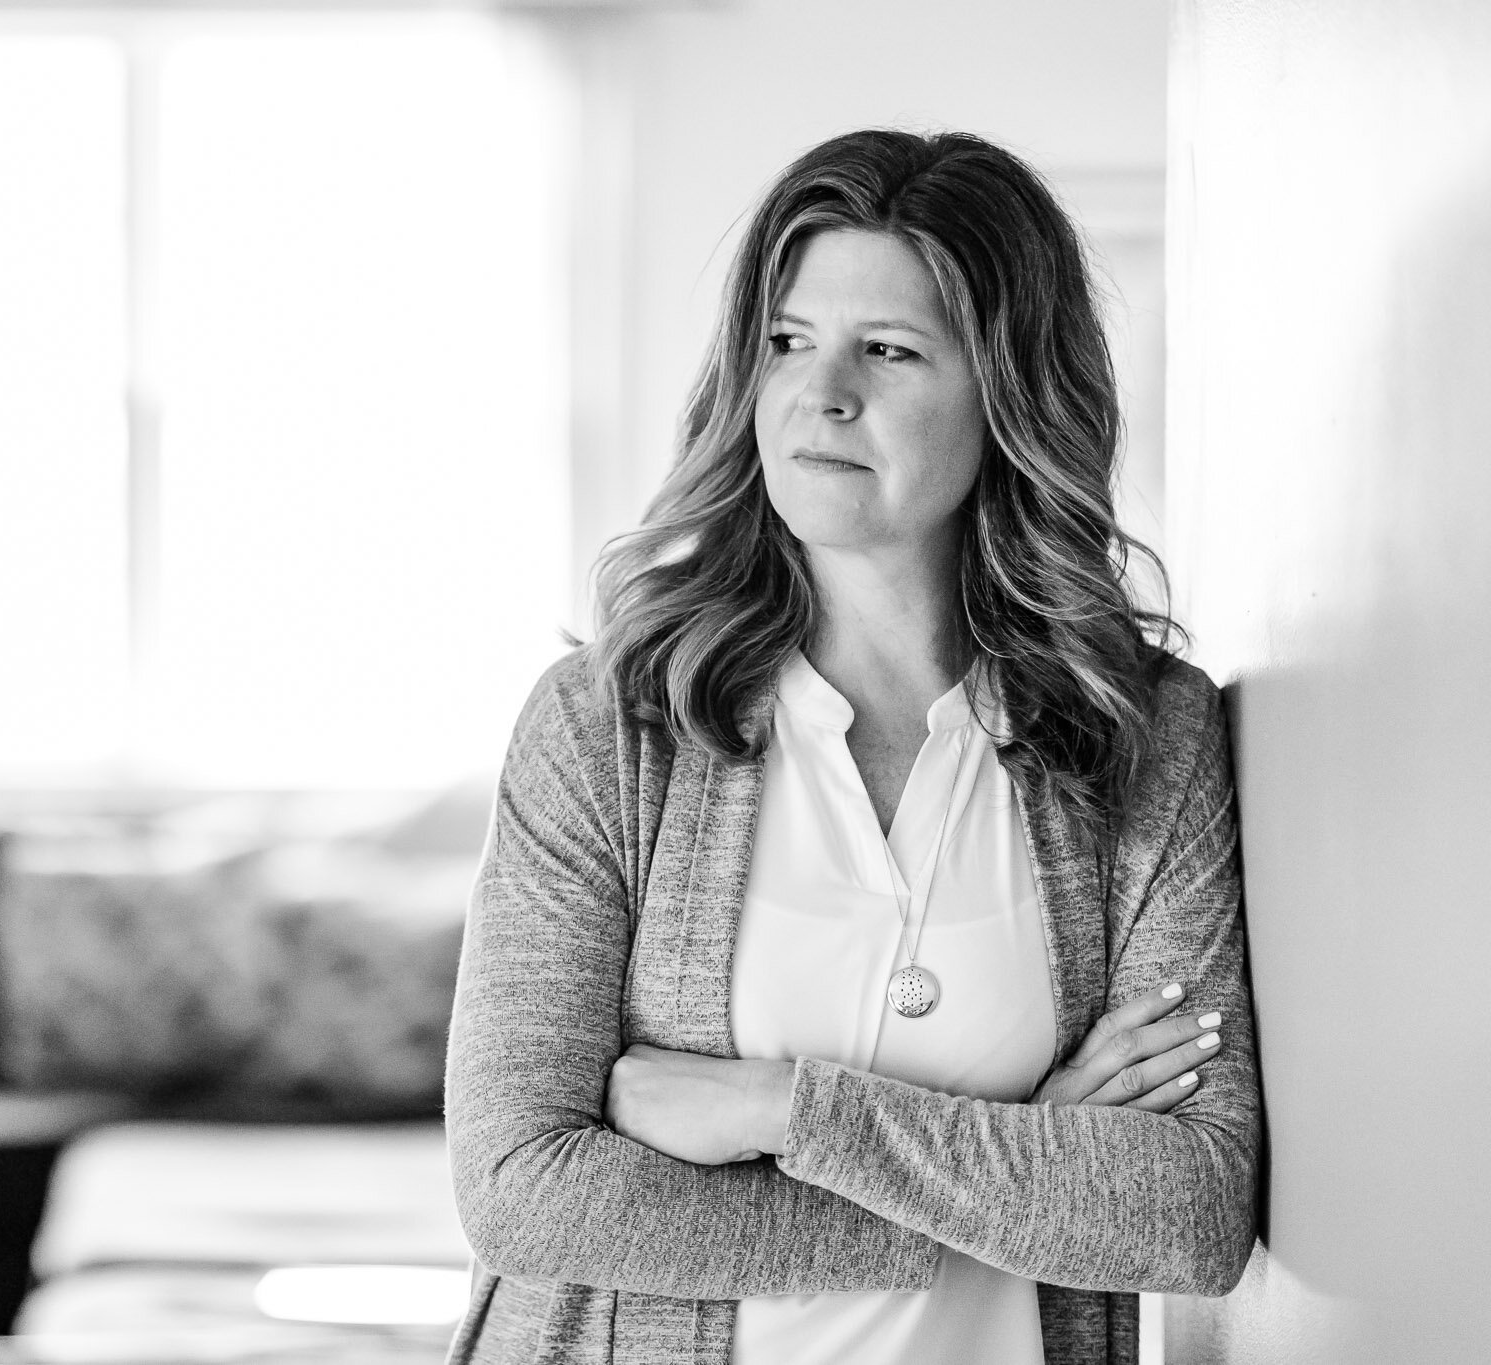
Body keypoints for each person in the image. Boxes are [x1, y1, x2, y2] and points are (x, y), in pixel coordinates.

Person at [443, 129, 1259, 1365]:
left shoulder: (1147, 736)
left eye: (886, 350)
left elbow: (1185, 1212)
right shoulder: (610, 725)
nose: (820, 395)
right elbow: (522, 1185)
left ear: (1007, 392)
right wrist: (1021, 1170)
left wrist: (781, 1110)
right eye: (785, 342)